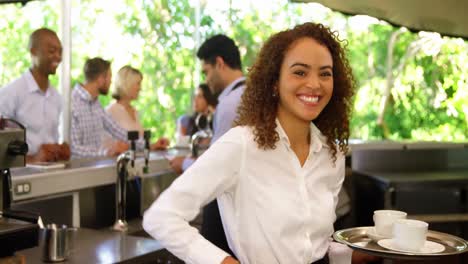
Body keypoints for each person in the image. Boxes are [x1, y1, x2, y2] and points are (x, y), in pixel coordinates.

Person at [143, 22, 371, 264]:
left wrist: (365, 254)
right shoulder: (241, 144)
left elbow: (314, 247)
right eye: (300, 72)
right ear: (274, 82)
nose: (314, 84)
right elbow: (161, 217)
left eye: (325, 73)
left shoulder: (331, 153)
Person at [168, 34, 246, 258]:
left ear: (219, 64)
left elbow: (217, 167)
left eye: (206, 71)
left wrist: (183, 163)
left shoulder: (231, 102)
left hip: (228, 203)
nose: (207, 79)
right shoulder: (247, 94)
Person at [71, 58, 168, 157]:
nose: (111, 82)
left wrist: (148, 146)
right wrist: (106, 152)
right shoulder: (72, 103)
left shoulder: (96, 104)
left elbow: (118, 131)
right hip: (78, 171)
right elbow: (73, 148)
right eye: (109, 77)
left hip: (96, 168)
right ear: (101, 79)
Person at [0, 28, 70, 163]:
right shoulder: (11, 93)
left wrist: (60, 151)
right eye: (51, 51)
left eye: (60, 51)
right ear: (33, 51)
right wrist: (32, 159)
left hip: (50, 174)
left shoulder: (56, 97)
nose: (58, 56)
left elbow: (49, 140)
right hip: (19, 178)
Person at [105, 65, 168, 150]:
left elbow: (137, 143)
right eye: (138, 83)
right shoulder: (111, 111)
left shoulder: (134, 111)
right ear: (126, 84)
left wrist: (154, 145)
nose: (140, 88)